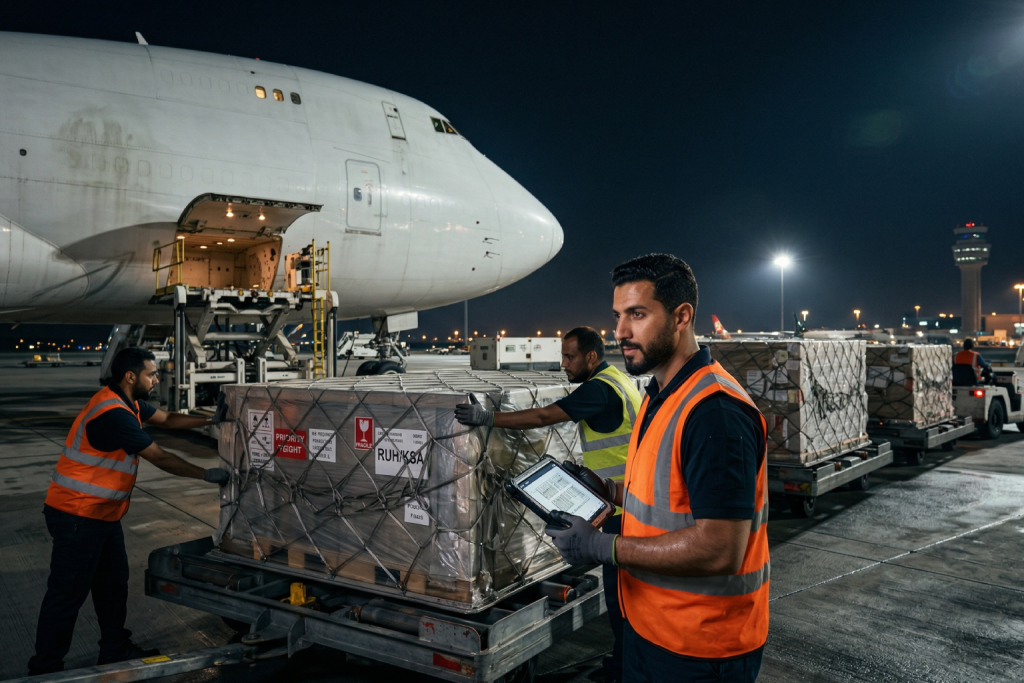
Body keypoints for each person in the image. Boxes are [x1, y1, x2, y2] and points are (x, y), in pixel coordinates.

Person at [543, 254, 769, 683]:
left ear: (682, 316)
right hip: (651, 627)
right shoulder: (659, 393)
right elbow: (668, 500)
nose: (620, 332)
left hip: (700, 647)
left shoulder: (713, 413)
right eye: (617, 316)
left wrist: (600, 548)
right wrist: (609, 494)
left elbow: (721, 547)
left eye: (638, 315)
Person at [27, 347, 232, 675]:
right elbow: (159, 456)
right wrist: (205, 474)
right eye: (152, 374)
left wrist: (211, 418)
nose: (156, 380)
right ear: (130, 376)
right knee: (67, 595)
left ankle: (114, 648)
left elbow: (167, 419)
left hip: (103, 515)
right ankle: (44, 669)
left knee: (113, 584)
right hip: (78, 515)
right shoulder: (113, 414)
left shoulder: (127, 401)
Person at [455, 326, 641, 683]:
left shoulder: (599, 390)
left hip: (619, 510)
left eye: (570, 357)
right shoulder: (619, 379)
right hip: (629, 498)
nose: (563, 365)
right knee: (629, 599)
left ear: (591, 357)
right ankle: (624, 665)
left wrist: (488, 419)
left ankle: (623, 671)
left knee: (622, 600)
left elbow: (542, 418)